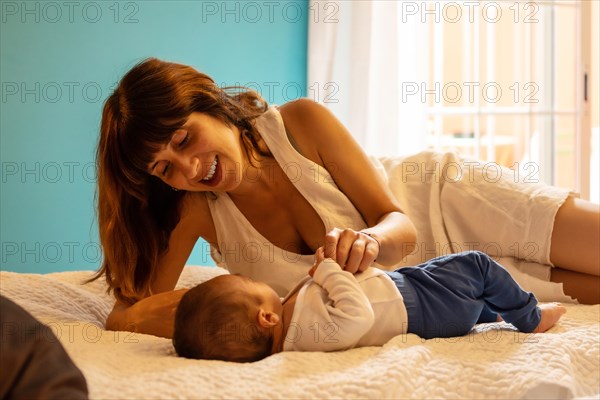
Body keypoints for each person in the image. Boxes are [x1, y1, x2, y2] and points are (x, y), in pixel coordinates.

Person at [93, 58, 599, 338]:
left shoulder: (298, 123)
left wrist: (371, 242)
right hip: (440, 292)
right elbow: (131, 313)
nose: (187, 168)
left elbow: (398, 223)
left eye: (184, 140)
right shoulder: (195, 210)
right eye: (165, 168)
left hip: (447, 201)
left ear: (209, 104)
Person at [172, 249, 566, 362]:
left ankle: (496, 310)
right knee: (476, 265)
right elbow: (356, 315)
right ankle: (529, 317)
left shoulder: (294, 326)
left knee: (470, 291)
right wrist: (328, 272)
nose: (261, 282)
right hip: (422, 305)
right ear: (266, 317)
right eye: (254, 285)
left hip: (410, 291)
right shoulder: (307, 331)